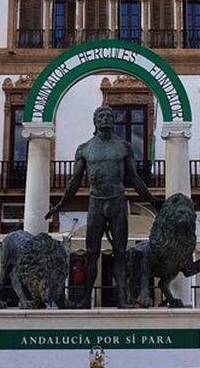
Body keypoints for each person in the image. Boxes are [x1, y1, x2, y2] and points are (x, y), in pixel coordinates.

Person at [46, 106, 163, 308]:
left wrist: (153, 201)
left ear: (113, 121)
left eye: (109, 116)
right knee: (91, 253)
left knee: (120, 252)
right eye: (101, 116)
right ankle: (85, 300)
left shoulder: (124, 146)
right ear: (95, 121)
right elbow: (74, 181)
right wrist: (60, 205)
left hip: (118, 200)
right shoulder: (84, 149)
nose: (106, 118)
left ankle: (122, 299)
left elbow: (134, 178)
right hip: (96, 201)